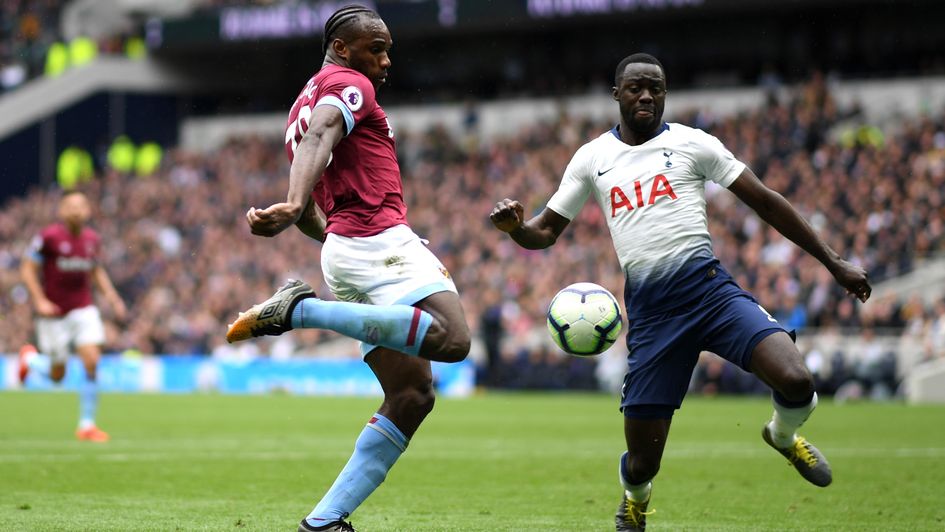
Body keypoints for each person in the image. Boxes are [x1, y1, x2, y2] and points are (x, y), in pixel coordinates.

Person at [490, 53, 872, 531]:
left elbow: (766, 201)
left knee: (796, 380)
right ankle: (634, 498)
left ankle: (782, 434)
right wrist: (515, 229)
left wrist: (833, 262)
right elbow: (544, 232)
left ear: (666, 92)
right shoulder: (592, 158)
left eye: (656, 87)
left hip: (711, 295)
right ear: (617, 95)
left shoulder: (694, 144)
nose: (646, 96)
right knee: (643, 462)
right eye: (635, 88)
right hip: (653, 319)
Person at [224, 6, 471, 532]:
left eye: (387, 52)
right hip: (380, 240)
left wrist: (307, 218)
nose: (384, 62)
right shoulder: (347, 84)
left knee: (411, 395)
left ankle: (324, 520)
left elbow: (318, 189)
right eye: (375, 49)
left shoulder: (298, 106)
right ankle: (302, 311)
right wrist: (292, 205)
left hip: (342, 248)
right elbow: (322, 135)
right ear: (341, 48)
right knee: (453, 340)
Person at [19, 190, 127, 442]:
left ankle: (87, 425)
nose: (76, 210)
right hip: (53, 313)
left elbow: (96, 271)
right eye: (71, 206)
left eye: (81, 205)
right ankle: (30, 361)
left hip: (83, 308)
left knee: (91, 360)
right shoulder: (48, 238)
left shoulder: (92, 239)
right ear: (61, 211)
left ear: (88, 210)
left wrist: (112, 297)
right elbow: (27, 269)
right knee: (58, 376)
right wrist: (39, 300)